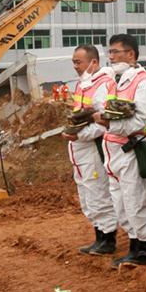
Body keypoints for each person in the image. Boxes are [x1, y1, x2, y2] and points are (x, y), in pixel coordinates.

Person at [97, 34, 146, 268]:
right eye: (110, 52)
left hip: (131, 148)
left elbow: (139, 120)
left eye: (116, 52)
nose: (111, 56)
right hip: (112, 148)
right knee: (120, 201)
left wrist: (108, 123)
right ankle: (134, 243)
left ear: (131, 54)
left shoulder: (144, 81)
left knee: (136, 199)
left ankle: (144, 248)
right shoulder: (115, 80)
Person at [61, 45, 119, 255]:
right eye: (74, 62)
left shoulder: (103, 85)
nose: (75, 66)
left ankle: (107, 238)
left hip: (91, 148)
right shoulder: (84, 83)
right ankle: (99, 235)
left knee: (97, 192)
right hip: (80, 149)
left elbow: (103, 122)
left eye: (79, 62)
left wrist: (79, 135)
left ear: (93, 62)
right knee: (87, 193)